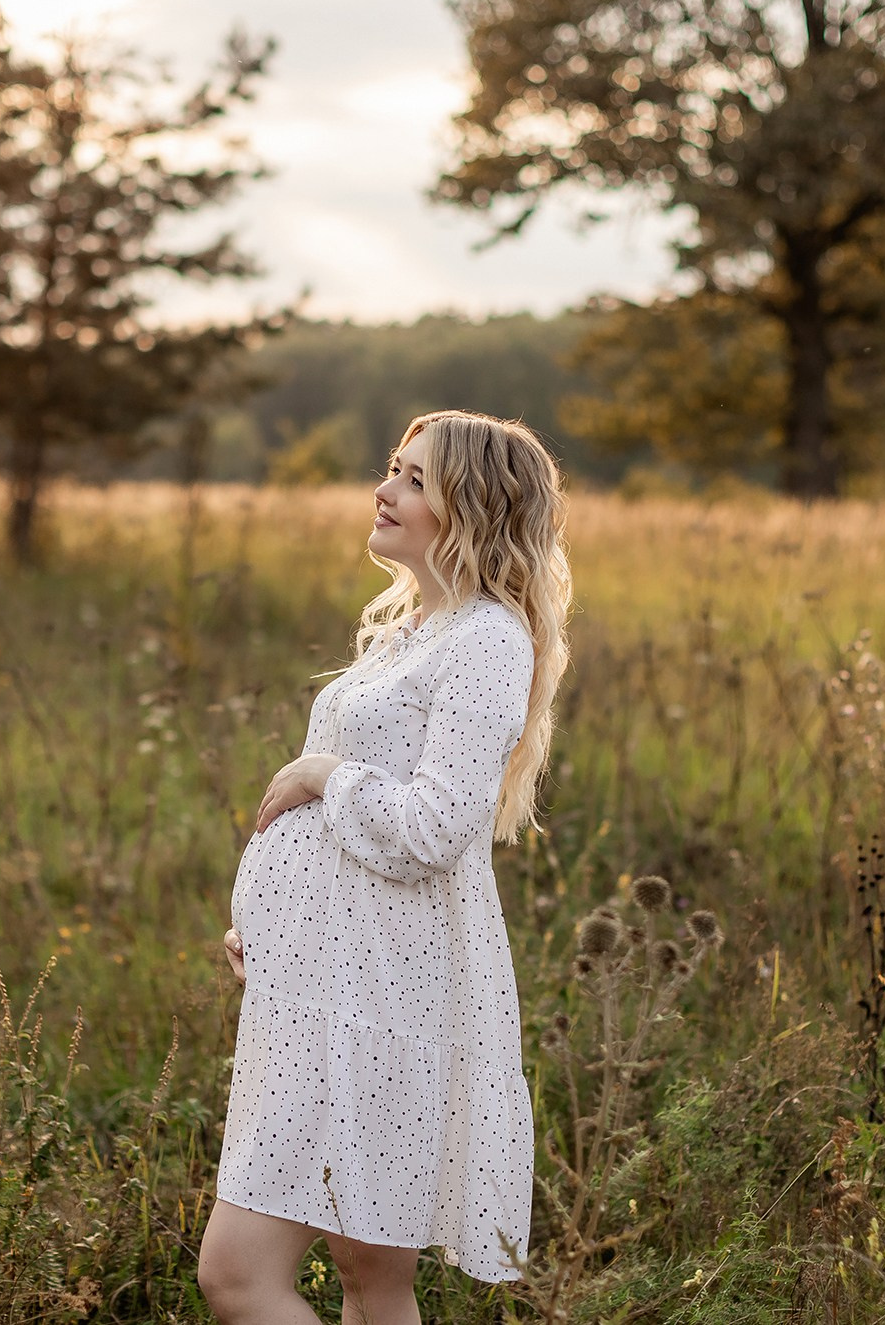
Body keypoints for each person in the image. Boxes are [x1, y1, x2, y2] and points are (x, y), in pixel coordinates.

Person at [196, 410, 573, 1324]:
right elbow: (346, 842)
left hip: (382, 1000)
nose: (384, 490)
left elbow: (438, 829)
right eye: (390, 470)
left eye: (412, 478)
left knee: (237, 1275)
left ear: (473, 506)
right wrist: (273, 927)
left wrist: (326, 772)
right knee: (372, 1275)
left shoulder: (486, 638)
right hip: (326, 985)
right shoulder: (411, 633)